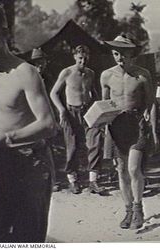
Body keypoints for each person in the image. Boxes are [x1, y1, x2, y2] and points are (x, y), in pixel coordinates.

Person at [0, 0, 57, 242]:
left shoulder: (25, 72)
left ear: (4, 32)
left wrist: (4, 139)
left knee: (26, 240)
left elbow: (48, 124)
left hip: (29, 168)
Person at [100, 35, 155, 229]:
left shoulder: (142, 75)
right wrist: (102, 123)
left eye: (123, 54)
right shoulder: (106, 75)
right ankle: (128, 210)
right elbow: (104, 104)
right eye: (116, 53)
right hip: (116, 126)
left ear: (132, 53)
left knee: (134, 169)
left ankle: (138, 207)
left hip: (137, 123)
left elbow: (150, 102)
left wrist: (151, 122)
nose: (119, 58)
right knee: (121, 170)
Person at [50, 45, 105, 194]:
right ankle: (73, 180)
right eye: (80, 58)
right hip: (71, 112)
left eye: (86, 58)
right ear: (75, 57)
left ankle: (93, 180)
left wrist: (100, 109)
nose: (83, 61)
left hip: (88, 111)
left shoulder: (90, 73)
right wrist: (61, 110)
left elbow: (93, 92)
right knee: (72, 147)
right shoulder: (67, 72)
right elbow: (54, 93)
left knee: (95, 141)